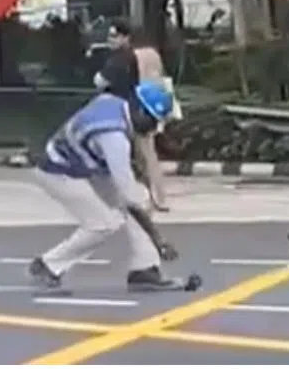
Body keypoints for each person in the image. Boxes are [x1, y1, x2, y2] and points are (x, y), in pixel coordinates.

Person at [29, 81, 187, 292]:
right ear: (140, 111)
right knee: (103, 223)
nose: (155, 130)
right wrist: (160, 240)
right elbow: (128, 199)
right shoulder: (113, 138)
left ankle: (145, 269)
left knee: (139, 198)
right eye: (153, 121)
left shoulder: (112, 103)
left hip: (86, 166)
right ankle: (48, 265)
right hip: (58, 171)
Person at [131, 32, 173, 212]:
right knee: (149, 151)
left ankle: (155, 196)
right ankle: (157, 194)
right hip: (157, 105)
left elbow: (136, 81)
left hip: (141, 104)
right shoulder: (155, 56)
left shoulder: (136, 56)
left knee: (145, 153)